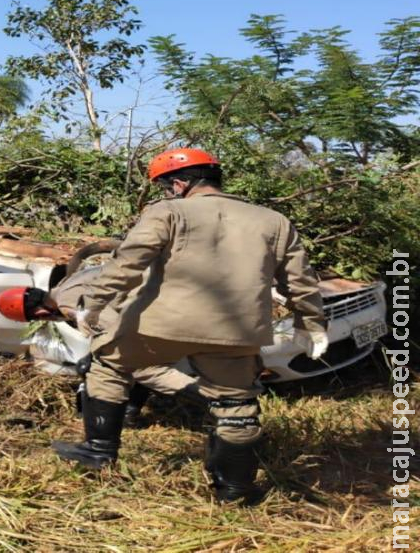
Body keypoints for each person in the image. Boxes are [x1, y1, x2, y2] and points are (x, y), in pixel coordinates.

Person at [51, 147, 328, 503]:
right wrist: (312, 324)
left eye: (167, 187)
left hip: (159, 326)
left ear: (179, 183)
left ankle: (98, 450)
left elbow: (128, 262)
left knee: (107, 363)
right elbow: (300, 281)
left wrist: (96, 302)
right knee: (236, 405)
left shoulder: (167, 211)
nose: (167, 194)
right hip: (236, 331)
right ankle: (235, 491)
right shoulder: (273, 220)